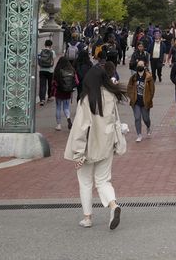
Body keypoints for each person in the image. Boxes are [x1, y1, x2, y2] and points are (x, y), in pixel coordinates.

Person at [63, 64, 126, 230]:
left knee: (85, 182)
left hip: (87, 148)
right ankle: (113, 205)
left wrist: (78, 152)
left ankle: (87, 217)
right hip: (106, 147)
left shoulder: (86, 100)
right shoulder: (111, 97)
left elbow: (80, 128)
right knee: (103, 181)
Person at [126, 60, 154, 143]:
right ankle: (139, 134)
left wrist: (149, 99)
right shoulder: (133, 77)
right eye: (138, 65)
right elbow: (129, 87)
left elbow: (152, 90)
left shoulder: (149, 77)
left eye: (141, 64)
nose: (140, 66)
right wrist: (131, 96)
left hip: (145, 101)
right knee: (137, 118)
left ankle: (148, 127)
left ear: (144, 66)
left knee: (146, 118)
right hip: (136, 101)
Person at [53, 57, 77, 131]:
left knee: (58, 107)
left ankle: (59, 125)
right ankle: (68, 118)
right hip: (67, 92)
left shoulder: (57, 70)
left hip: (59, 91)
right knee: (66, 108)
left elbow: (54, 81)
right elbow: (76, 81)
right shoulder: (72, 70)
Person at [37, 39, 56, 106]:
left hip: (42, 70)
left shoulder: (40, 51)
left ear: (45, 44)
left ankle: (42, 99)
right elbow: (53, 60)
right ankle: (49, 97)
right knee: (50, 84)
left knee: (42, 85)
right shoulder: (52, 52)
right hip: (50, 70)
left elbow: (38, 59)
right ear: (51, 45)